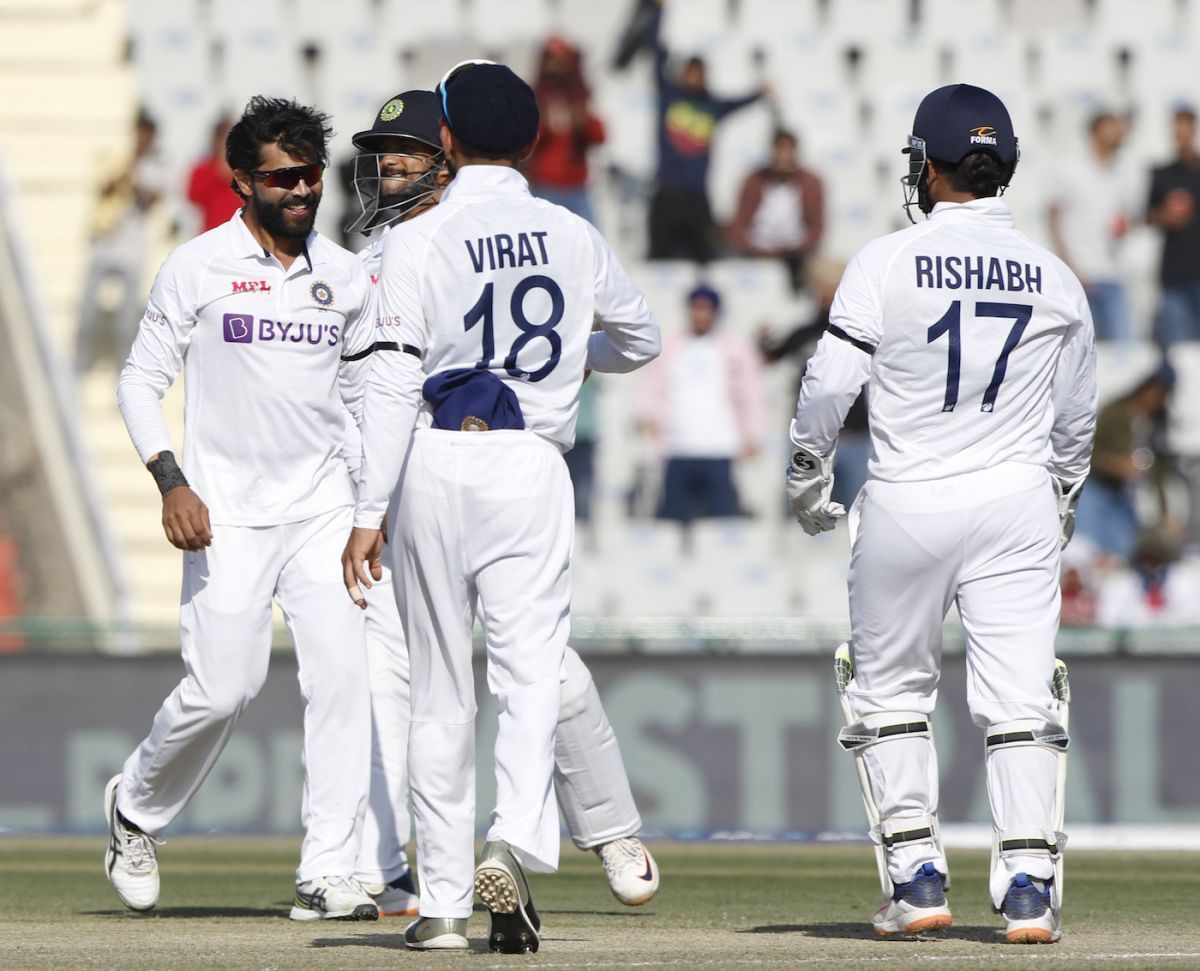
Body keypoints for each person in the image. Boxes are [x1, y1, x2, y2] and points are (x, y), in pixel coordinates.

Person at [342, 61, 661, 953]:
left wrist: (369, 508)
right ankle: (513, 841)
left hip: (434, 460)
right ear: (529, 141)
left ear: (446, 140)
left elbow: (396, 370)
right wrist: (569, 359)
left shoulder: (421, 236)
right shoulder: (571, 231)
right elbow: (643, 337)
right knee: (528, 674)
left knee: (438, 692)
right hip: (530, 463)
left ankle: (442, 905)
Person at [785, 84, 1096, 944]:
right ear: (1008, 170)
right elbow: (1076, 424)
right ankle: (1029, 885)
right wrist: (1059, 502)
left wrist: (809, 473)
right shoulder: (1058, 277)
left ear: (928, 165)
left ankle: (917, 876)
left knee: (886, 691)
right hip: (1016, 498)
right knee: (1024, 698)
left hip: (909, 496)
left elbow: (829, 384)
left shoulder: (886, 260)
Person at [105, 96, 380, 923]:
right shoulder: (197, 266)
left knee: (342, 677)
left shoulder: (347, 276)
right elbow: (138, 380)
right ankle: (134, 809)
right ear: (241, 183)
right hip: (223, 508)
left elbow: (365, 401)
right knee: (226, 687)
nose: (301, 190)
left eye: (310, 175)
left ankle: (328, 868)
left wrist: (372, 506)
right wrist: (170, 478)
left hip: (324, 507)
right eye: (282, 177)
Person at [643, 0, 769, 261]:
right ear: (682, 74)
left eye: (699, 73)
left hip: (698, 198)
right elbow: (655, 53)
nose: (694, 78)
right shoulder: (670, 96)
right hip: (666, 195)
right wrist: (658, 11)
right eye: (690, 72)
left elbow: (738, 103)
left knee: (707, 259)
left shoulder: (713, 106)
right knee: (659, 264)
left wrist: (760, 94)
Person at [637, 284, 764, 524]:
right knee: (674, 521)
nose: (701, 314)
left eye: (706, 308)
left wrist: (753, 433)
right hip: (677, 446)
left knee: (721, 522)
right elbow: (649, 385)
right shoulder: (672, 346)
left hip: (720, 446)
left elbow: (751, 394)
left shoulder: (735, 349)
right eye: (696, 308)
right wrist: (647, 415)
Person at [75, 109, 166, 373]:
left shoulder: (154, 167)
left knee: (126, 326)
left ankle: (124, 379)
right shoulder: (119, 160)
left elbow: (150, 201)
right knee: (86, 320)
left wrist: (132, 176)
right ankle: (74, 376)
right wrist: (123, 170)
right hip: (104, 250)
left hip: (131, 255)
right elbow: (102, 185)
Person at [1046, 110, 1136, 342]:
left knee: (1123, 352)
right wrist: (1071, 267)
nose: (1119, 134)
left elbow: (1123, 220)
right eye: (1112, 128)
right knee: (1083, 349)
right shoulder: (1070, 168)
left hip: (1114, 274)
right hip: (1082, 276)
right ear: (1096, 132)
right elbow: (1054, 217)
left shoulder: (1120, 172)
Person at [1074, 362, 1174, 560]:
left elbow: (1159, 471)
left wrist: (1164, 515)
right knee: (1089, 552)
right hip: (1097, 490)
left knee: (1122, 554)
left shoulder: (1157, 422)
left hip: (1125, 496)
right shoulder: (1115, 412)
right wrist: (1116, 464)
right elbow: (1088, 452)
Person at [729, 129, 825, 294]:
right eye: (779, 150)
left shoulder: (810, 182)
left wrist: (800, 248)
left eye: (788, 150)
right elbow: (739, 222)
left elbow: (817, 226)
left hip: (797, 254)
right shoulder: (754, 180)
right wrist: (752, 248)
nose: (783, 156)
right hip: (757, 251)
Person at [525, 35, 606, 223]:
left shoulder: (580, 96)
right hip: (545, 187)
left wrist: (582, 121)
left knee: (590, 243)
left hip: (577, 188)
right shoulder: (535, 96)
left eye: (560, 60)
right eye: (551, 59)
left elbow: (600, 136)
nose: (555, 65)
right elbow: (524, 141)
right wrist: (546, 124)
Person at [1147, 106, 1200, 346]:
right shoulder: (1162, 174)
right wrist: (1165, 215)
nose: (1181, 136)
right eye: (1177, 131)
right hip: (1175, 276)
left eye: (1186, 130)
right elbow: (1148, 217)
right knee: (1180, 353)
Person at [186, 115, 242, 234]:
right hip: (210, 236)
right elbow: (192, 197)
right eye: (225, 137)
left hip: (241, 237)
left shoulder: (247, 171)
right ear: (215, 139)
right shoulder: (203, 169)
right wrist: (219, 173)